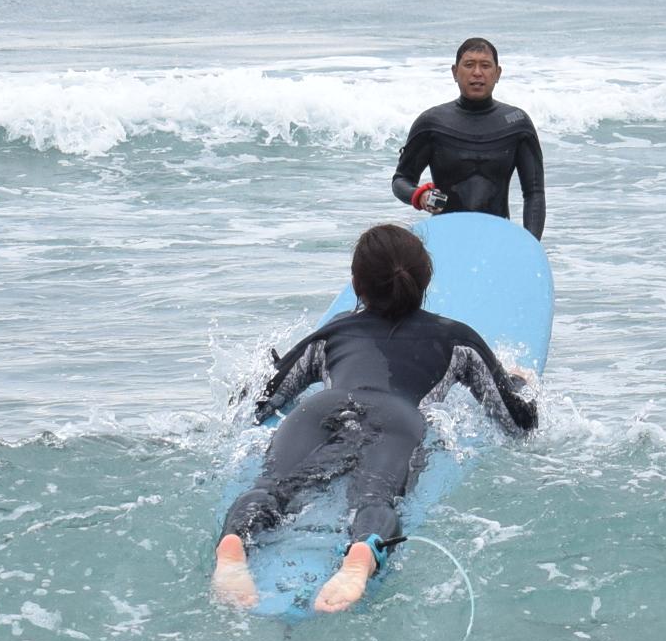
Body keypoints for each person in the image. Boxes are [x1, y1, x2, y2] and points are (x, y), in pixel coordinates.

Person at [213, 223, 539, 614]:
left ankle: (234, 543)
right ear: (425, 281)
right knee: (376, 497)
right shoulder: (456, 338)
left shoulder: (333, 332)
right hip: (398, 420)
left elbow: (261, 400)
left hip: (321, 410)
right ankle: (360, 557)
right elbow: (516, 422)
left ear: (356, 283)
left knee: (272, 487)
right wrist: (522, 384)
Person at [391, 36, 546, 238]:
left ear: (498, 73)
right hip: (444, 236)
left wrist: (530, 246)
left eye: (485, 65)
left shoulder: (517, 123)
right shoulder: (432, 123)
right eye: (469, 65)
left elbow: (534, 194)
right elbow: (401, 180)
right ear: (455, 72)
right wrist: (420, 195)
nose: (477, 73)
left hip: (497, 236)